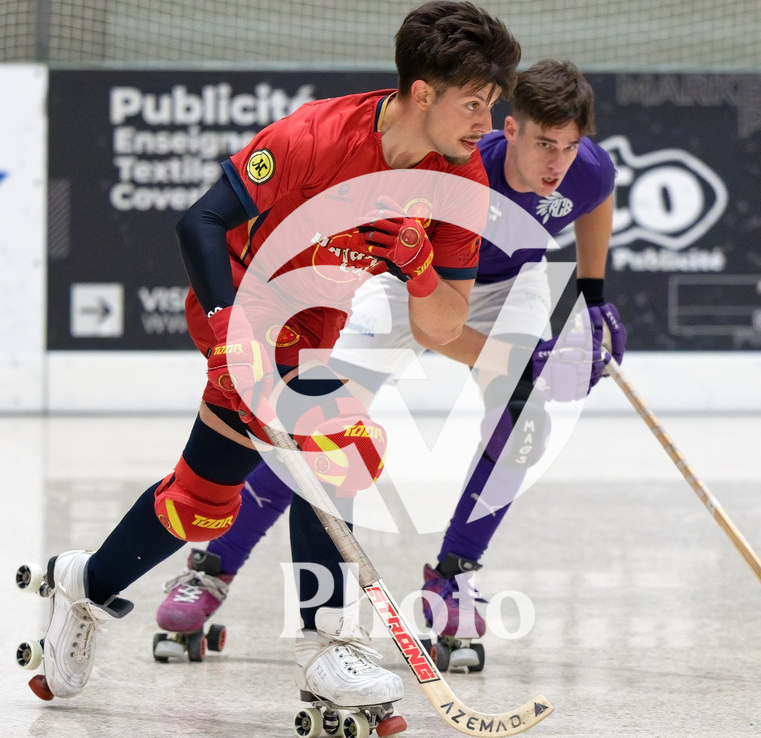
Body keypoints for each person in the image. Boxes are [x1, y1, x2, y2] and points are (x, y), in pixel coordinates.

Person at [24, 1, 522, 736]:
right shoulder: (314, 137)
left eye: (491, 104)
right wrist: (229, 331)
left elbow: (440, 323)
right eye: (474, 104)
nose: (485, 122)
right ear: (423, 92)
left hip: (313, 322)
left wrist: (418, 267)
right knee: (335, 437)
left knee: (201, 502)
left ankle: (84, 584)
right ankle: (328, 645)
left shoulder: (460, 181)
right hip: (240, 308)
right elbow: (198, 221)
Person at [154, 58, 626, 672]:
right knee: (319, 425)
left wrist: (592, 296)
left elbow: (597, 197)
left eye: (568, 147)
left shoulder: (582, 168)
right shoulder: (463, 167)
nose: (556, 164)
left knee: (523, 418)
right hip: (416, 281)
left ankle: (453, 575)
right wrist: (516, 357)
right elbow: (441, 327)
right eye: (543, 144)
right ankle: (213, 568)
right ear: (508, 130)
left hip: (511, 283)